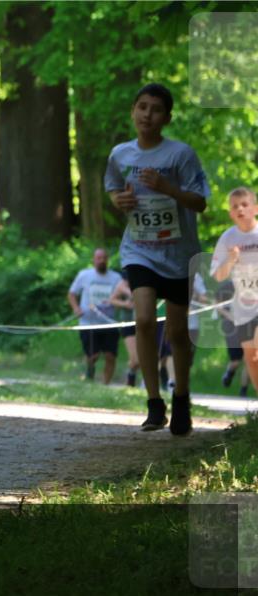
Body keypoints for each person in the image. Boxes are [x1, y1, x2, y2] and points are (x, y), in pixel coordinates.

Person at [105, 82, 210, 434]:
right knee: (145, 320)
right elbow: (113, 188)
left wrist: (168, 189)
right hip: (139, 250)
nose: (148, 115)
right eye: (142, 107)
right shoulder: (120, 154)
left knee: (178, 333)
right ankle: (154, 403)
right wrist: (118, 200)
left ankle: (181, 397)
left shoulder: (180, 155)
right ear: (133, 111)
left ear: (167, 118)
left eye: (156, 110)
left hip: (178, 254)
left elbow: (200, 202)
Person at [211, 186, 258, 396]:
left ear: (255, 209)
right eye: (235, 206)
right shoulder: (228, 238)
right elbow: (219, 276)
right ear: (230, 213)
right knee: (251, 357)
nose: (240, 209)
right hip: (244, 306)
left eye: (244, 204)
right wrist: (231, 260)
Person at [68, 248, 122, 384]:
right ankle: (89, 372)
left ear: (107, 260)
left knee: (110, 356)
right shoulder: (84, 275)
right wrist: (76, 308)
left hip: (109, 323)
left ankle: (106, 384)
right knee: (93, 355)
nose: (101, 261)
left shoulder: (116, 278)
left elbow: (122, 295)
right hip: (88, 323)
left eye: (104, 258)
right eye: (99, 258)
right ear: (93, 259)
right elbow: (72, 293)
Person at [215, 279, 251, 397]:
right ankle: (230, 372)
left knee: (249, 359)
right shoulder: (227, 286)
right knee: (236, 361)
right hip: (231, 327)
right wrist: (230, 316)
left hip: (249, 326)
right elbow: (217, 305)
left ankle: (243, 391)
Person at [109, 270, 140, 387]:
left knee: (144, 357)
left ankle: (140, 381)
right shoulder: (122, 284)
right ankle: (131, 377)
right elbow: (112, 300)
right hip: (128, 324)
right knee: (135, 360)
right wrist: (125, 304)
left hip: (143, 324)